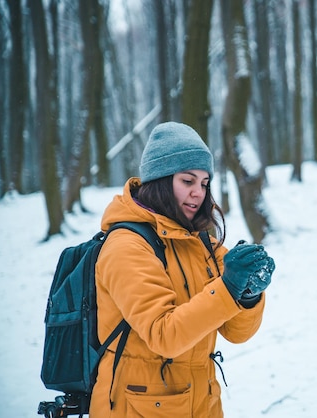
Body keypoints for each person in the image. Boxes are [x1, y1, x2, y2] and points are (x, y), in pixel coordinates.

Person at [90, 121, 274, 417]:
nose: (198, 193)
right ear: (160, 181)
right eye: (187, 181)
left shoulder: (199, 241)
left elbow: (236, 332)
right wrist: (228, 287)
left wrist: (248, 293)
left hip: (201, 403)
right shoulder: (126, 246)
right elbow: (165, 336)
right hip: (136, 407)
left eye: (204, 183)